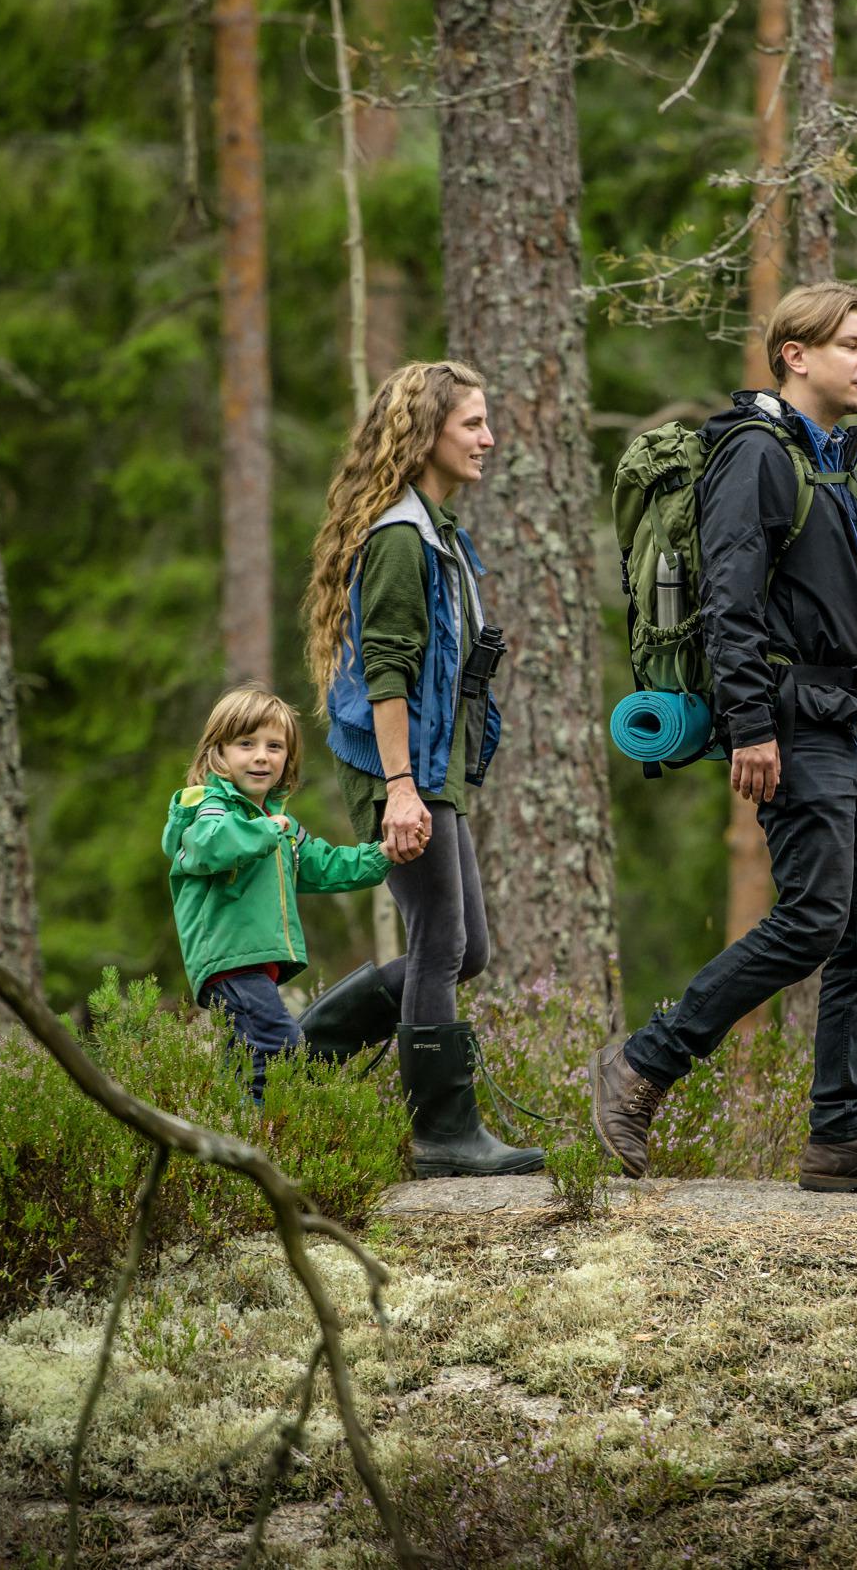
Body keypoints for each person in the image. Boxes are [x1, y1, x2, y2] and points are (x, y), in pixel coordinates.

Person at [588, 281, 857, 1194]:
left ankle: (841, 1134)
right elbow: (730, 604)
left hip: (856, 727)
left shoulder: (837, 461)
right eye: (851, 344)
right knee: (813, 918)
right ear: (794, 354)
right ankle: (641, 1066)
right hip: (792, 725)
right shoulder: (754, 453)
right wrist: (751, 725)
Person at [297, 359, 543, 1178]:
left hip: (432, 766)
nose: (488, 437)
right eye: (472, 423)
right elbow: (388, 673)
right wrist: (401, 788)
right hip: (404, 769)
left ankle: (305, 1050)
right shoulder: (402, 537)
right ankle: (444, 1133)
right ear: (425, 431)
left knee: (464, 950)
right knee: (440, 941)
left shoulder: (435, 530)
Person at [163, 683, 390, 1101]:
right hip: (230, 961)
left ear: (288, 760)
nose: (261, 756)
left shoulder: (276, 820)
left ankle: (236, 1138)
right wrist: (269, 830)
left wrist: (384, 855)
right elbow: (212, 845)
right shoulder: (209, 807)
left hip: (251, 964)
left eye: (274, 746)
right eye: (246, 744)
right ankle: (273, 1143)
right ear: (219, 753)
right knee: (281, 1048)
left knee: (249, 1061)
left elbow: (323, 864)